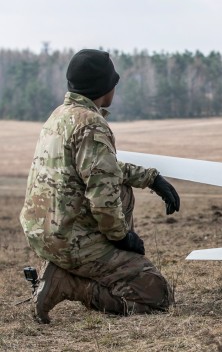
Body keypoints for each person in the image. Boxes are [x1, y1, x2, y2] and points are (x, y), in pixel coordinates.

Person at [19, 49, 180, 324]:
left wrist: (151, 178)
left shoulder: (59, 116)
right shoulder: (92, 124)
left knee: (124, 189)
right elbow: (103, 197)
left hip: (43, 233)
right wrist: (122, 239)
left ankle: (71, 269)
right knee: (157, 296)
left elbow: (105, 170)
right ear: (106, 88)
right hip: (70, 239)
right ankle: (67, 283)